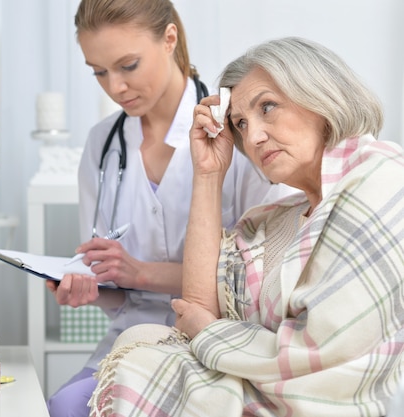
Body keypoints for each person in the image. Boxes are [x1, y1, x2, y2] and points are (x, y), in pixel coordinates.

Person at [87, 36, 404, 417]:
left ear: (320, 95)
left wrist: (211, 332)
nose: (252, 137)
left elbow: (323, 353)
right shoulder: (276, 219)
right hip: (263, 385)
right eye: (240, 123)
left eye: (267, 107)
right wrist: (208, 174)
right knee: (135, 347)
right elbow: (197, 308)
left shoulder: (381, 181)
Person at [46, 2, 297, 416]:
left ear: (169, 39)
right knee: (62, 407)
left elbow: (259, 281)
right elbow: (118, 292)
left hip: (223, 340)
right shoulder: (101, 146)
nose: (115, 87)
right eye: (99, 71)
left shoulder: (235, 129)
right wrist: (87, 283)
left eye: (128, 65)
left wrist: (140, 272)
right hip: (132, 339)